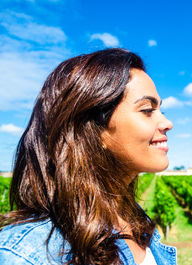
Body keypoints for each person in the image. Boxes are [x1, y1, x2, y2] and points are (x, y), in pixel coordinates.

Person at [0, 48, 176, 265]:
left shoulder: (134, 218)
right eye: (147, 110)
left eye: (161, 111)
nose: (167, 123)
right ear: (91, 130)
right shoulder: (27, 256)